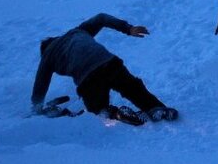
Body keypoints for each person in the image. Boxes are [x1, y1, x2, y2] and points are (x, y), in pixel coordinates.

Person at [31, 13, 177, 123]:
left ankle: (112, 114)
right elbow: (101, 18)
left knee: (97, 111)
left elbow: (40, 84)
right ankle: (156, 109)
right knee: (133, 88)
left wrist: (37, 108)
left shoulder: (47, 56)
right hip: (109, 62)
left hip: (88, 78)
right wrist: (129, 28)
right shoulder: (77, 32)